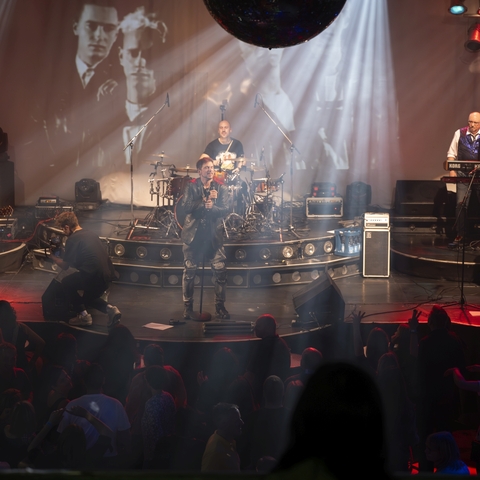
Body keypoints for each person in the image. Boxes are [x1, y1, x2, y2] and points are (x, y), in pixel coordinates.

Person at [48, 212, 121, 327]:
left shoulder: (72, 239)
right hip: (107, 275)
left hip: (93, 276)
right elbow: (84, 256)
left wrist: (53, 258)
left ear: (67, 227)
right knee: (87, 298)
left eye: (63, 229)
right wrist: (64, 253)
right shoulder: (91, 234)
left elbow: (66, 266)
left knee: (66, 283)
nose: (63, 232)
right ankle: (111, 309)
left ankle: (84, 317)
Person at [179, 157, 230, 320]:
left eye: (212, 167)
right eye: (206, 167)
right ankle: (188, 308)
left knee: (220, 271)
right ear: (199, 171)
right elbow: (185, 207)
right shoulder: (191, 186)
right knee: (189, 271)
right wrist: (202, 201)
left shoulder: (221, 188)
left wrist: (213, 207)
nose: (210, 170)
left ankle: (220, 307)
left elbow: (226, 209)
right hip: (193, 236)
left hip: (212, 236)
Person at [446, 111, 480, 243]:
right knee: (461, 204)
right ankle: (461, 234)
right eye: (470, 122)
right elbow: (451, 154)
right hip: (463, 174)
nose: (472, 125)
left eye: (475, 122)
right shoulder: (459, 133)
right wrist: (452, 169)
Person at [201, 403, 244, 472]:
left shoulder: (226, 440)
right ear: (223, 423)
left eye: (240, 418)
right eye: (236, 420)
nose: (242, 422)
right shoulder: (214, 453)